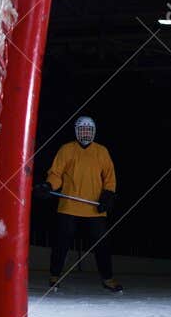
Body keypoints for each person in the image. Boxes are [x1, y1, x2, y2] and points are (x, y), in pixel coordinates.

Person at [38, 115, 120, 292]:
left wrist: (108, 195)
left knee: (102, 244)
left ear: (93, 132)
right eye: (82, 130)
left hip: (94, 207)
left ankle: (108, 278)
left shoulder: (101, 151)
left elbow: (109, 178)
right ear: (76, 132)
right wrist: (48, 185)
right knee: (61, 243)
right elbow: (56, 174)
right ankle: (55, 276)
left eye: (88, 130)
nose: (85, 133)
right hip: (69, 205)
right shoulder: (67, 150)